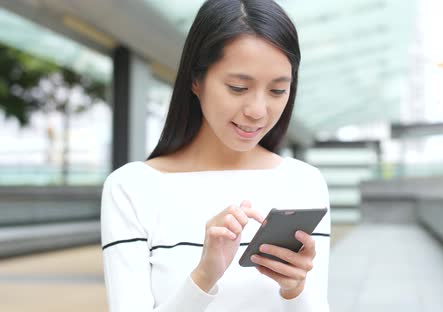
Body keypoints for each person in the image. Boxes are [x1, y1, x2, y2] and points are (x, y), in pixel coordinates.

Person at [100, 0, 331, 311]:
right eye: (238, 87)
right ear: (196, 80)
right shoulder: (131, 188)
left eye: (278, 91)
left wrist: (295, 291)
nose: (257, 111)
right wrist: (203, 278)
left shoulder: (305, 183)